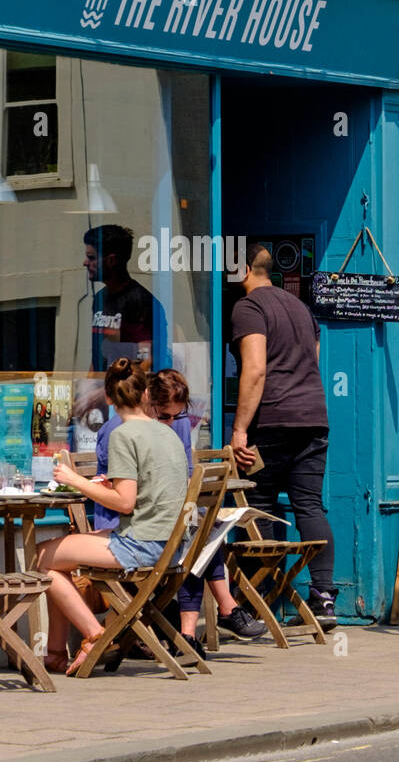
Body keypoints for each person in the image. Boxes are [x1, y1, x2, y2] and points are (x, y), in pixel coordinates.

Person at [92, 367, 267, 656]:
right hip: (130, 525)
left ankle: (189, 634)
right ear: (147, 401)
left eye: (178, 416)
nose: (172, 423)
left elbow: (179, 474)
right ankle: (216, 614)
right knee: (193, 535)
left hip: (156, 519)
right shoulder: (119, 431)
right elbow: (127, 493)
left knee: (197, 531)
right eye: (165, 416)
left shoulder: (171, 427)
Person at [36, 357, 190, 675]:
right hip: (170, 546)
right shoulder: (168, 434)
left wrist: (75, 480)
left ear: (108, 398)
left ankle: (94, 635)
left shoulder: (123, 434)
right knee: (58, 555)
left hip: (141, 545)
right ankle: (55, 653)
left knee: (43, 557)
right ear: (146, 394)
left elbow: (124, 503)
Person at [229, 242, 338, 629]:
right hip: (313, 418)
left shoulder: (248, 307)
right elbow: (313, 358)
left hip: (272, 422)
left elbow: (255, 369)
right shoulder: (300, 307)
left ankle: (261, 600)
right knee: (309, 505)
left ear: (243, 268)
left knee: (259, 504)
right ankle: (323, 598)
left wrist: (240, 428)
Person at [83, 223, 161, 371]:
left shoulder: (139, 301)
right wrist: (86, 388)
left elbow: (146, 359)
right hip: (104, 386)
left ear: (111, 260)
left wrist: (111, 389)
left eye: (91, 257)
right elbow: (97, 359)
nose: (85, 263)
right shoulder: (100, 298)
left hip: (124, 389)